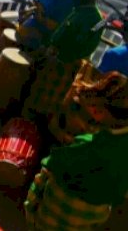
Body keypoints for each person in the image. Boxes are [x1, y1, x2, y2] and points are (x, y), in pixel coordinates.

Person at [23, 0, 111, 122]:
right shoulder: (79, 9)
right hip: (51, 58)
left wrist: (56, 54)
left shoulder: (96, 20)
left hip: (63, 65)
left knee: (44, 107)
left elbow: (83, 47)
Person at [24, 92, 128, 229]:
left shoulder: (86, 145)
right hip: (94, 215)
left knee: (43, 178)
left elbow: (52, 164)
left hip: (53, 217)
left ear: (102, 111)